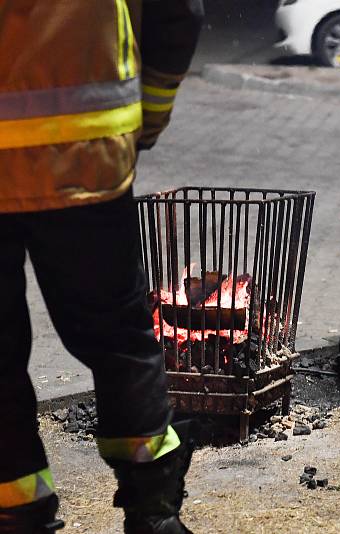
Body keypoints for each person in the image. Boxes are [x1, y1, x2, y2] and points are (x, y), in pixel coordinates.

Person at [0, 1, 203, 532]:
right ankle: (153, 514)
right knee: (119, 342)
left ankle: (16, 513)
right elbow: (178, 13)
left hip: (83, 155)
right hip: (85, 158)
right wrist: (148, 119)